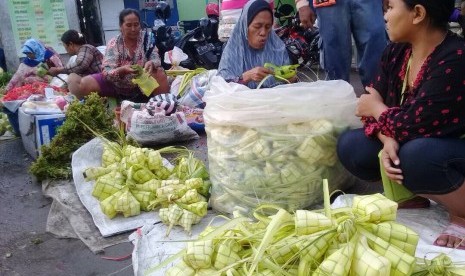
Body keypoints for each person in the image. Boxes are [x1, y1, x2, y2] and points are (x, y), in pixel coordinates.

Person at [337, 0, 465, 250]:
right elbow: (366, 105)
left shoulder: (456, 57)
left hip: (449, 150)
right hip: (410, 138)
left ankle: (462, 213)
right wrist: (388, 139)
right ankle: (414, 196)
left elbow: (410, 123)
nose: (384, 16)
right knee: (352, 146)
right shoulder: (396, 52)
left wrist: (378, 111)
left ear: (417, 13)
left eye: (390, 7)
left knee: (415, 156)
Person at [76, 8, 169, 101]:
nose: (133, 29)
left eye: (136, 25)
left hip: (142, 85)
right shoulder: (114, 43)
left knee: (159, 72)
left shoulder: (147, 39)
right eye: (128, 25)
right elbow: (106, 71)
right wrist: (121, 70)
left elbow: (156, 59)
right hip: (117, 86)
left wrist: (151, 63)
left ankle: (162, 107)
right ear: (121, 26)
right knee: (85, 83)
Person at [295, 0, 388, 86]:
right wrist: (302, 3)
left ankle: (379, 97)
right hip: (329, 3)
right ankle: (338, 100)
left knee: (375, 48)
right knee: (334, 56)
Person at [217, 0, 292, 89]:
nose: (263, 33)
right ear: (245, 26)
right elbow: (221, 88)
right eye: (257, 26)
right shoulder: (233, 51)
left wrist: (291, 80)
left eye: (268, 27)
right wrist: (246, 77)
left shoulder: (278, 49)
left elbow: (289, 86)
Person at [47, 30, 103, 95]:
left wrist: (58, 70)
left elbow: (80, 64)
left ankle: (84, 101)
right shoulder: (82, 51)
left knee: (72, 77)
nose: (66, 50)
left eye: (65, 47)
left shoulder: (86, 48)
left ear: (71, 44)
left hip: (102, 83)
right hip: (97, 82)